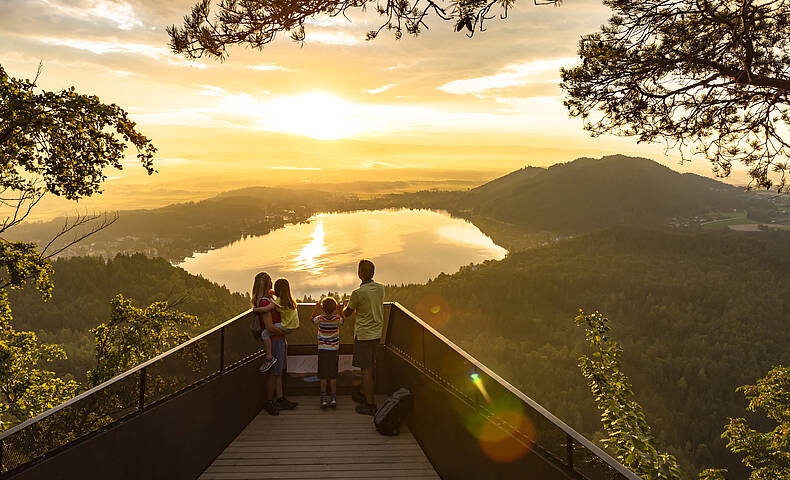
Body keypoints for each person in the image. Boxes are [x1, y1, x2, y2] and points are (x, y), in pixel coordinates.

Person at [250, 272, 298, 415]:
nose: (272, 282)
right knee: (274, 373)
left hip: (279, 339)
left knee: (278, 372)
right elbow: (269, 327)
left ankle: (280, 398)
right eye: (270, 281)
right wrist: (286, 331)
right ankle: (269, 401)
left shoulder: (269, 298)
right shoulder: (265, 302)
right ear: (267, 283)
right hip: (275, 340)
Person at [343, 259, 385, 415]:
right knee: (370, 367)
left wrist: (345, 305)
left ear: (359, 274)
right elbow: (370, 304)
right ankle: (364, 393)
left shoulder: (357, 293)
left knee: (365, 370)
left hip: (364, 336)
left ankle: (370, 404)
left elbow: (346, 314)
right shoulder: (381, 288)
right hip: (376, 334)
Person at [252, 277, 300, 372]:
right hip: (292, 325)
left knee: (265, 334)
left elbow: (266, 309)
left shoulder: (277, 301)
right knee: (279, 374)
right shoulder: (289, 300)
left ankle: (269, 357)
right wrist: (273, 292)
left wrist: (255, 310)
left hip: (285, 327)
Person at [311, 297, 344, 408]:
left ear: (323, 308)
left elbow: (312, 320)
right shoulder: (337, 318)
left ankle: (323, 398)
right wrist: (339, 310)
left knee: (323, 375)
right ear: (334, 308)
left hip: (323, 350)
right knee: (333, 375)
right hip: (334, 350)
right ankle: (333, 398)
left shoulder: (320, 318)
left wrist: (316, 309)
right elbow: (343, 320)